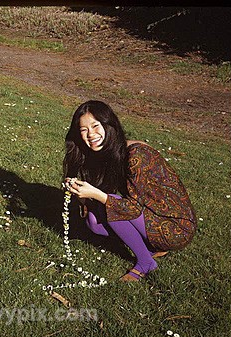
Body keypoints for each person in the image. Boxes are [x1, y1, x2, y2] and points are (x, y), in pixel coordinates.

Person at [63, 100, 196, 281]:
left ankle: (146, 262)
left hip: (176, 227)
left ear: (109, 125)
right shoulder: (106, 154)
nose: (91, 134)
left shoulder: (135, 155)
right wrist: (83, 197)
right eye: (83, 130)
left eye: (95, 126)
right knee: (93, 222)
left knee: (109, 202)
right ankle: (149, 247)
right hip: (150, 214)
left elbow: (130, 208)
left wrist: (97, 195)